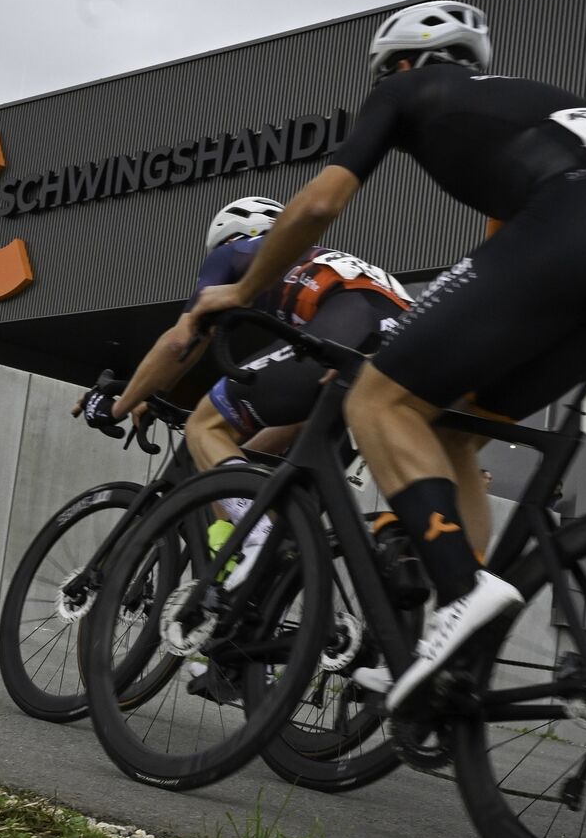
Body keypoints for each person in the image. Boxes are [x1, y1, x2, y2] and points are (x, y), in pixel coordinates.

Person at [189, 0, 586, 712]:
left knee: (377, 399)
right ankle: (460, 644)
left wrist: (244, 288)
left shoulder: (408, 88)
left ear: (401, 62)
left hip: (579, 228)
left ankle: (461, 590)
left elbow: (317, 206)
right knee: (454, 428)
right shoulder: (540, 106)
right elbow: (504, 258)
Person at [81, 197, 411, 594]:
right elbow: (293, 417)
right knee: (257, 471)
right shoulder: (322, 263)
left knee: (205, 425)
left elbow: (182, 341)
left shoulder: (235, 252)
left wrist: (120, 404)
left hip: (345, 333)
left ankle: (254, 538)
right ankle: (270, 600)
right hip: (405, 350)